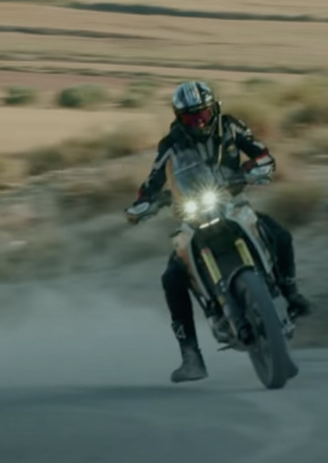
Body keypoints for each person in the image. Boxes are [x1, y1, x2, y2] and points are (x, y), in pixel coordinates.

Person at [124, 81, 313, 383]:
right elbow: (153, 179)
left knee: (280, 234)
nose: (199, 122)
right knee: (172, 278)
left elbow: (259, 152)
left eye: (203, 114)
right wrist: (143, 203)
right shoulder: (171, 144)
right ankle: (191, 357)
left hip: (232, 203)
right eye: (190, 118)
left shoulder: (230, 127)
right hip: (192, 215)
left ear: (214, 109)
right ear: (179, 118)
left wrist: (259, 167)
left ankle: (290, 294)